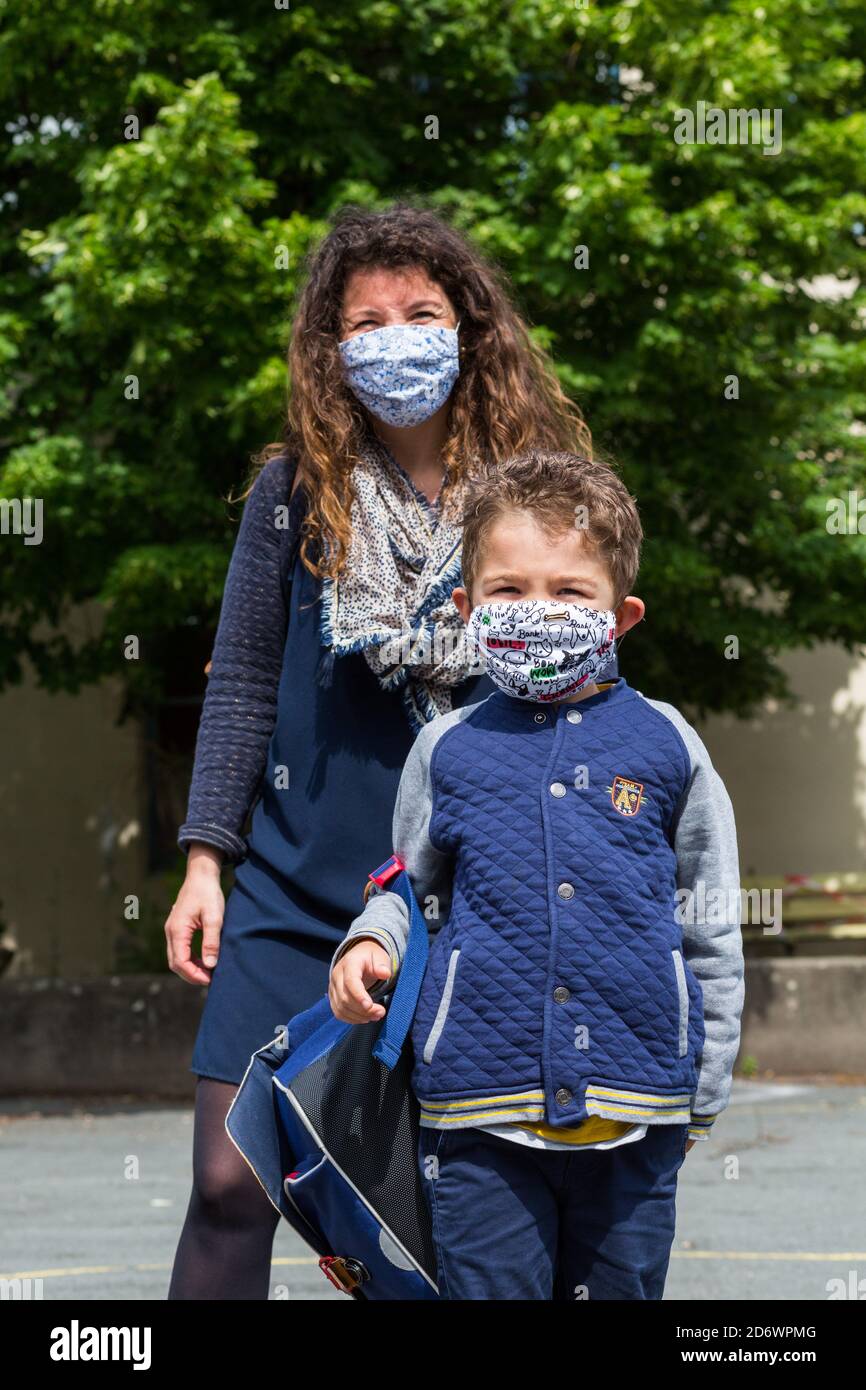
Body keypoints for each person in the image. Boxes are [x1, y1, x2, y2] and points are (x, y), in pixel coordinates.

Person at [165, 202, 603, 1299]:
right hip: (291, 885)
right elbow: (242, 685)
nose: (394, 337)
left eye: (419, 310)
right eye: (365, 321)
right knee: (230, 1180)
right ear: (333, 349)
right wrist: (205, 862)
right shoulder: (290, 496)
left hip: (465, 894)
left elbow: (586, 678)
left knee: (430, 1216)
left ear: (467, 324)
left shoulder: (533, 496)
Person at [329, 449, 745, 1300]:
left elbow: (709, 925)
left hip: (640, 1113)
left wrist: (701, 1090)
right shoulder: (445, 749)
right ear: (465, 608)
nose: (537, 611)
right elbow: (412, 890)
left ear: (621, 616)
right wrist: (369, 940)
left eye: (569, 592)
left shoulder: (671, 746)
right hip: (477, 1115)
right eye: (508, 591)